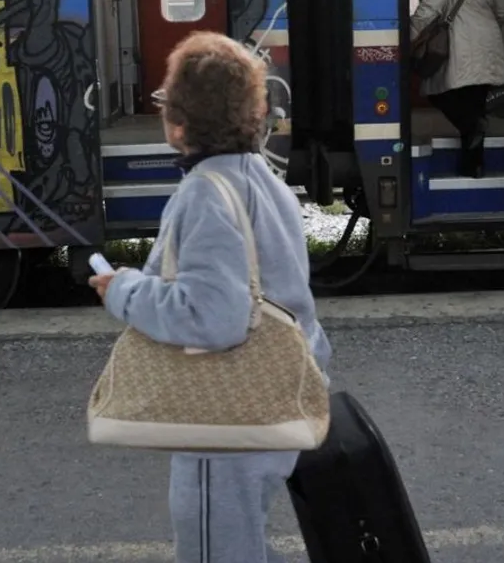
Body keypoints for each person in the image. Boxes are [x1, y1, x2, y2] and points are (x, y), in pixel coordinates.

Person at [89, 31, 332, 563]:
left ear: (178, 124)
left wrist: (124, 291)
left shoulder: (205, 193)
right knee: (242, 542)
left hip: (228, 418)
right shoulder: (263, 180)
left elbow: (213, 319)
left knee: (216, 551)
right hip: (275, 392)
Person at [410, 0, 504, 178]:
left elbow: (430, 9)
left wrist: (406, 37)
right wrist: (483, 30)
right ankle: (474, 167)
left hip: (459, 48)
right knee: (474, 107)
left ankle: (472, 135)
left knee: (438, 95)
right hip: (487, 47)